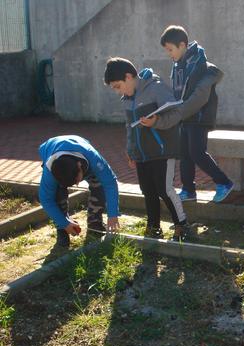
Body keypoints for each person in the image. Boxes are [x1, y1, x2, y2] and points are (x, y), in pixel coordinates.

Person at [104, 57, 188, 241]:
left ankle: (181, 225)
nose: (118, 91)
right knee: (147, 190)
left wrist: (156, 122)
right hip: (143, 154)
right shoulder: (127, 98)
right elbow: (129, 127)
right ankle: (153, 227)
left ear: (128, 77)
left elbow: (177, 113)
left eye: (118, 86)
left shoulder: (155, 87)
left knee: (164, 189)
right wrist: (130, 149)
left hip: (162, 150)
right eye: (114, 88)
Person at [159, 25, 234, 203]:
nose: (169, 54)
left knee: (197, 153)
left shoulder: (201, 65)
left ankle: (224, 182)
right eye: (167, 50)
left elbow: (199, 96)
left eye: (170, 49)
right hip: (185, 118)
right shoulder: (179, 65)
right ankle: (188, 190)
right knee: (184, 154)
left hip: (199, 118)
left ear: (183, 45)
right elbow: (179, 93)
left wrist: (178, 113)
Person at [38, 135, 120, 247]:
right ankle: (62, 230)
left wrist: (113, 215)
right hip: (50, 147)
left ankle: (94, 223)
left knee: (99, 185)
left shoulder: (93, 157)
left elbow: (110, 183)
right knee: (57, 193)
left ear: (79, 165)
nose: (77, 184)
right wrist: (64, 223)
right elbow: (46, 199)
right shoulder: (50, 171)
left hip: (81, 148)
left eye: (76, 180)